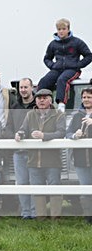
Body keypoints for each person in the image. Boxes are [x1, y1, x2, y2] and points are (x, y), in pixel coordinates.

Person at [15, 88, 66, 220]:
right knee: (37, 191)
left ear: (50, 100)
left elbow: (61, 133)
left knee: (55, 189)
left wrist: (44, 136)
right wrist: (19, 134)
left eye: (45, 97)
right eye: (39, 98)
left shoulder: (59, 114)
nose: (41, 100)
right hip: (33, 160)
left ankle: (55, 218)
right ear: (35, 100)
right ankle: (40, 218)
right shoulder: (30, 115)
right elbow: (23, 129)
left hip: (52, 160)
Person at [36, 18, 91, 113]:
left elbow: (89, 55)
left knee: (62, 80)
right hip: (57, 69)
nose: (61, 31)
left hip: (72, 70)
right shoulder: (53, 44)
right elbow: (47, 58)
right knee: (44, 81)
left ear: (68, 29)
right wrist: (52, 66)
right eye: (59, 29)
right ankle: (42, 106)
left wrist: (78, 65)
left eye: (63, 29)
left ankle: (61, 105)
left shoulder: (77, 42)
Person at [10, 78, 37, 219]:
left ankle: (34, 212)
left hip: (35, 151)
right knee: (21, 182)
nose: (23, 90)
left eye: (26, 87)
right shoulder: (14, 107)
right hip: (18, 151)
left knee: (35, 181)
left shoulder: (38, 105)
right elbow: (9, 127)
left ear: (32, 87)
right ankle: (25, 213)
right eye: (21, 87)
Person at [66, 87, 92, 223]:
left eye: (89, 97)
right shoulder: (77, 115)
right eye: (84, 97)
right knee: (85, 189)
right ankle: (88, 217)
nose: (86, 100)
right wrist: (74, 135)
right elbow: (67, 133)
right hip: (81, 159)